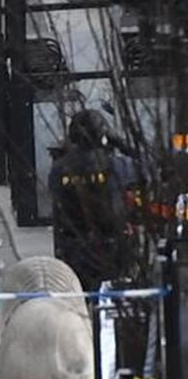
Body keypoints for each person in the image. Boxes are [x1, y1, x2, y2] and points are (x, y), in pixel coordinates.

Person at [49, 110, 139, 291]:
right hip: (111, 244)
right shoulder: (115, 165)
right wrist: (121, 143)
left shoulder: (59, 169)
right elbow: (148, 169)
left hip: (73, 245)